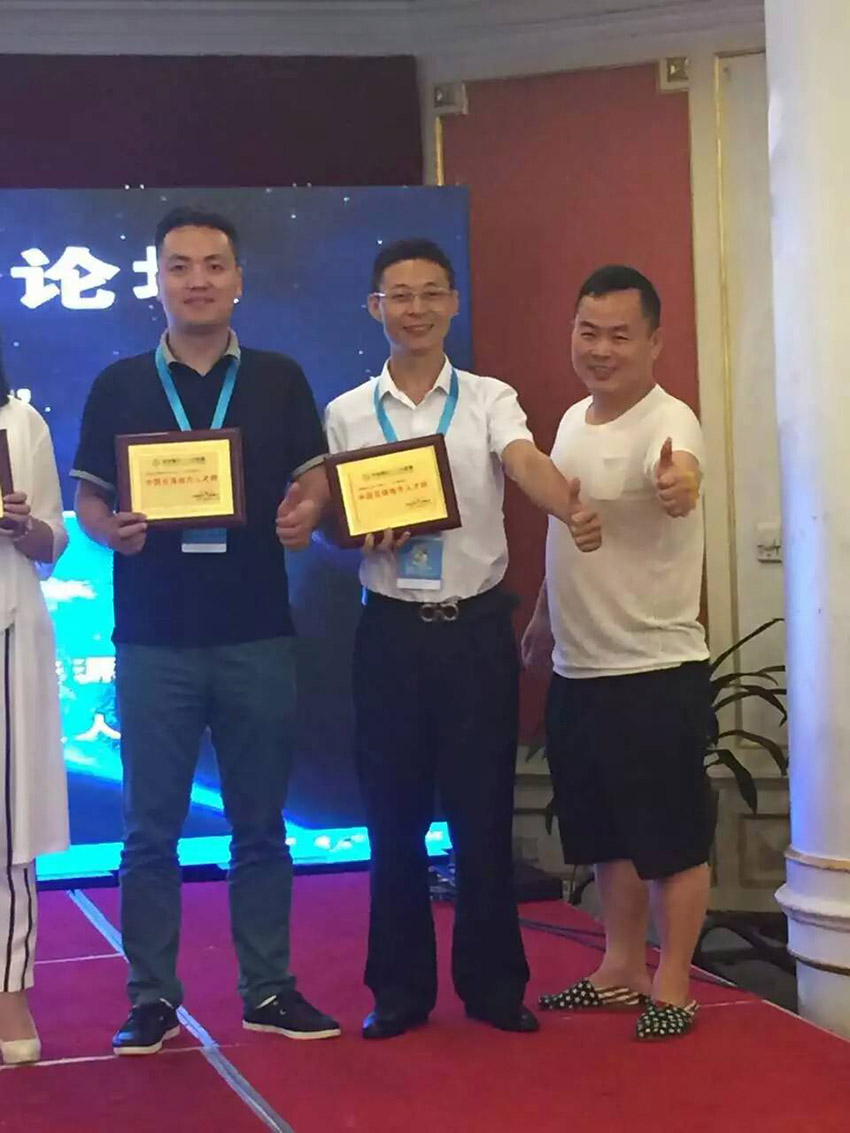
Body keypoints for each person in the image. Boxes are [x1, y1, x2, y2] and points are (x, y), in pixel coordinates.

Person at [72, 207, 340, 1055]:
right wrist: (107, 530)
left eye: (214, 265)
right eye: (180, 266)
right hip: (153, 638)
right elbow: (88, 500)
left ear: (238, 280)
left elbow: (314, 482)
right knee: (149, 830)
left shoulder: (278, 377)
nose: (198, 280)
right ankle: (151, 995)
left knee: (261, 824)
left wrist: (307, 510)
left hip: (256, 630)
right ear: (158, 280)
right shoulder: (118, 383)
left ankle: (269, 988)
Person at [324, 237, 599, 1040]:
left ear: (452, 302)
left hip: (474, 631)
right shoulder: (347, 411)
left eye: (430, 293)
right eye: (399, 295)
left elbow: (524, 460)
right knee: (392, 820)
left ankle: (493, 985)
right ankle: (399, 990)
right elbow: (337, 518)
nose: (415, 308)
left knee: (483, 815)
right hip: (389, 634)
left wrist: (567, 504)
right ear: (374, 307)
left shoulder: (488, 398)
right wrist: (354, 533)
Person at [522, 264, 713, 1041]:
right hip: (580, 665)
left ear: (654, 342)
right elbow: (564, 524)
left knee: (671, 835)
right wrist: (543, 615)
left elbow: (682, 475)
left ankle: (675, 982)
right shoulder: (573, 419)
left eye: (619, 336)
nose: (600, 349)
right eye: (587, 331)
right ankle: (621, 967)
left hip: (653, 670)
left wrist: (679, 485)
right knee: (603, 833)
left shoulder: (672, 420)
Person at [0, 343, 69, 1065]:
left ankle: (8, 992)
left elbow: (55, 538)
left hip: (4, 630)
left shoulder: (20, 421)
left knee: (5, 827)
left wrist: (22, 526)